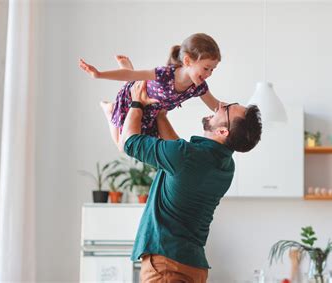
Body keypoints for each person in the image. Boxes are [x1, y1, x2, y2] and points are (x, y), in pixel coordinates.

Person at [121, 81, 262, 283]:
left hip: (166, 266)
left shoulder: (186, 156)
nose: (220, 105)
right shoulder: (226, 166)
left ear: (223, 131)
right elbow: (179, 157)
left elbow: (130, 142)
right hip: (193, 267)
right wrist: (160, 116)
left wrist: (137, 103)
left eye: (227, 109)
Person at [79, 33, 223, 151]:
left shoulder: (198, 87)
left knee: (150, 145)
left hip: (151, 112)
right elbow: (131, 76)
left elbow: (216, 105)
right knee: (123, 147)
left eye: (212, 69)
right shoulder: (165, 74)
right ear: (187, 61)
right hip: (131, 100)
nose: (209, 73)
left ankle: (128, 70)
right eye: (206, 68)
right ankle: (109, 110)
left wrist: (243, 112)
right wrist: (99, 74)